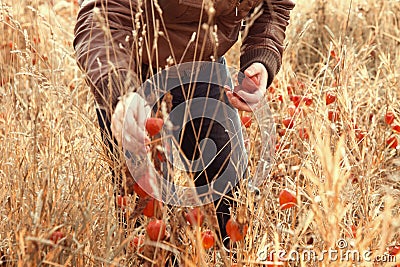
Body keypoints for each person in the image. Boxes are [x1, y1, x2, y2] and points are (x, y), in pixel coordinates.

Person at [73, 0, 295, 262]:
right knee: (148, 227)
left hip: (204, 66)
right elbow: (103, 15)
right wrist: (120, 93)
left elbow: (274, 6)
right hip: (132, 76)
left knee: (232, 204)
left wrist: (261, 58)